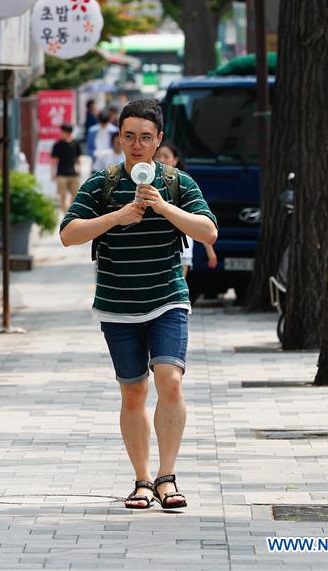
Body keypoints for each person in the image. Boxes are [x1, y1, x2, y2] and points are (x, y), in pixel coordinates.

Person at [59, 99, 218, 511]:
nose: (137, 145)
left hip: (168, 299)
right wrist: (116, 217)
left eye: (146, 137)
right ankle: (142, 481)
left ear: (158, 139)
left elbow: (208, 232)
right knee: (133, 392)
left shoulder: (177, 182)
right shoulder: (102, 184)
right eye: (129, 136)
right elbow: (68, 234)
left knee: (171, 381)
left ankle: (167, 477)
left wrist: (163, 207)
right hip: (117, 303)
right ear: (119, 138)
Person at [155, 143, 218, 276]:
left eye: (166, 156)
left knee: (178, 282)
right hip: (156, 248)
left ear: (175, 160)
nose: (161, 159)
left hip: (182, 246)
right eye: (158, 155)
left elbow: (200, 219)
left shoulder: (184, 184)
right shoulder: (147, 183)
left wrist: (209, 249)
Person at [51, 124, 81, 212]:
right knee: (62, 195)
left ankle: (71, 211)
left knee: (75, 194)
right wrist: (53, 173)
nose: (61, 133)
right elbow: (54, 160)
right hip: (61, 173)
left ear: (68, 133)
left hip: (73, 173)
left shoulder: (75, 143)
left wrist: (79, 168)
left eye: (63, 132)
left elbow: (77, 158)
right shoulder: (57, 144)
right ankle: (64, 212)